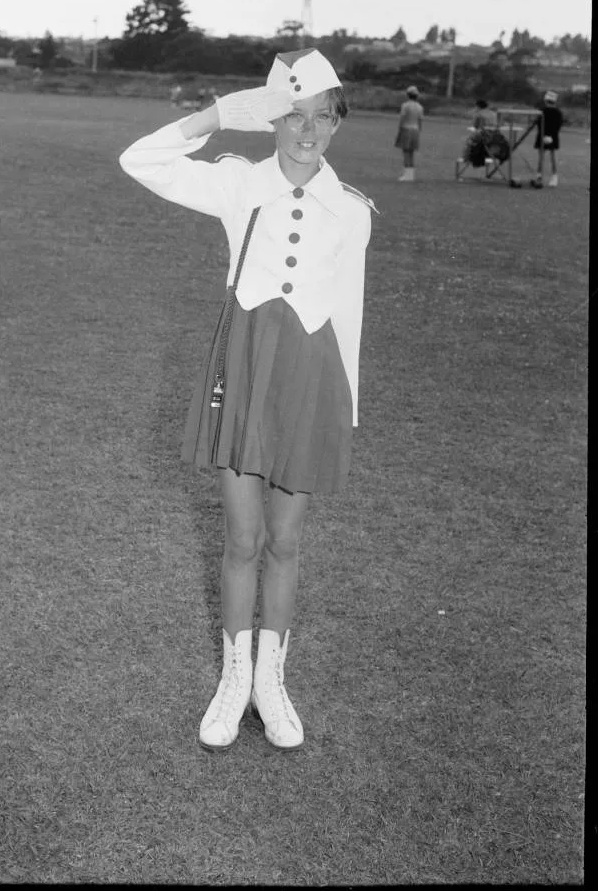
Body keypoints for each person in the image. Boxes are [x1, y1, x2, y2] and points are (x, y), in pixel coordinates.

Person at [119, 48, 377, 752]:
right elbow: (140, 160)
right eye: (291, 116)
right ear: (270, 121)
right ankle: (233, 681)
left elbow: (348, 315)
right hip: (245, 368)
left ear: (335, 124)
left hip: (310, 382)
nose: (305, 131)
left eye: (320, 118)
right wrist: (214, 116)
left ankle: (271, 682)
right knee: (242, 540)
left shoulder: (351, 212)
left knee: (287, 541)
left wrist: (343, 408)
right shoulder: (239, 185)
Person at [533, 90, 563, 187]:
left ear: (546, 100)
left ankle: (539, 176)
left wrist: (544, 135)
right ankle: (554, 176)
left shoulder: (541, 111)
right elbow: (559, 125)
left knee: (541, 157)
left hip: (542, 136)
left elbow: (538, 123)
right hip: (553, 136)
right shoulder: (558, 112)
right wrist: (551, 135)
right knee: (553, 157)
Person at [394, 85, 424, 181]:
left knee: (406, 153)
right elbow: (420, 121)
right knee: (411, 153)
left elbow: (402, 118)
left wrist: (399, 129)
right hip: (415, 131)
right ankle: (411, 175)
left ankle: (407, 175)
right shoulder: (420, 107)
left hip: (406, 129)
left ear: (408, 95)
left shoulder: (405, 105)